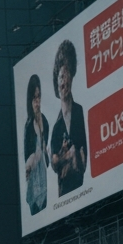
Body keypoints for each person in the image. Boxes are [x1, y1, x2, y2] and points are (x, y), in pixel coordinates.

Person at [49, 39, 87, 195]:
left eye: (66, 76)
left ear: (71, 77)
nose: (63, 81)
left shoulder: (80, 113)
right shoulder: (57, 128)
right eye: (60, 77)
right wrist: (69, 156)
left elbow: (84, 162)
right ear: (57, 86)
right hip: (64, 195)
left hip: (84, 191)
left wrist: (70, 157)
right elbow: (54, 163)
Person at [22, 73, 50, 215]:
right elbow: (27, 159)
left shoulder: (45, 121)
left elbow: (47, 156)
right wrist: (32, 161)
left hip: (44, 183)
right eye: (34, 98)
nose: (37, 102)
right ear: (30, 100)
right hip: (34, 187)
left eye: (39, 97)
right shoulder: (28, 127)